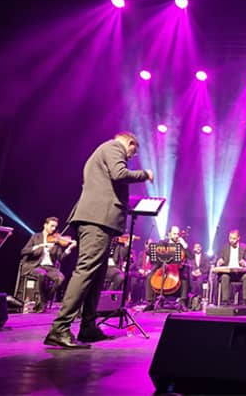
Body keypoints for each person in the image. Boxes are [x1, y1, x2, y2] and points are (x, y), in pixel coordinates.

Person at [44, 132, 153, 349]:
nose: (130, 156)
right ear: (130, 143)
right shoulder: (114, 147)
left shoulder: (104, 152)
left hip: (100, 219)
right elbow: (119, 174)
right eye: (132, 152)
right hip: (97, 219)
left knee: (96, 275)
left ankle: (88, 327)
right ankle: (59, 328)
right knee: (86, 271)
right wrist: (144, 174)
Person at [20, 216, 76, 313]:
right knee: (42, 274)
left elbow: (61, 258)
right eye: (52, 226)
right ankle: (42, 303)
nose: (53, 229)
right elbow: (24, 251)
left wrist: (69, 249)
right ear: (45, 225)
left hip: (50, 267)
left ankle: (45, 299)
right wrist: (40, 246)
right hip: (35, 265)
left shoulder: (56, 240)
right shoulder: (36, 237)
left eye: (55, 227)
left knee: (60, 278)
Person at [216, 230, 246, 305]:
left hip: (240, 274)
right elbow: (219, 259)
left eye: (234, 238)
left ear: (238, 238)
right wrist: (219, 262)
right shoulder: (225, 247)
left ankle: (245, 300)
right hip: (228, 273)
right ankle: (225, 301)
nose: (231, 240)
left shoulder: (244, 247)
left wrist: (245, 263)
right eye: (230, 238)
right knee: (224, 277)